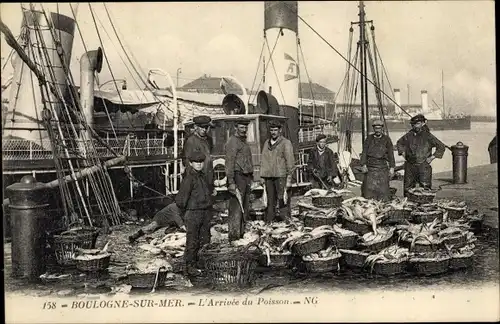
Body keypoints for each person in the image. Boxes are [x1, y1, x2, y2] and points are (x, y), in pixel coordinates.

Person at [175, 151, 213, 276]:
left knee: (205, 240)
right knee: (192, 241)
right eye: (196, 162)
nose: (199, 164)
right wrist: (185, 214)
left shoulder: (203, 176)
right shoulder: (189, 179)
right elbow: (181, 200)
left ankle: (201, 264)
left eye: (201, 162)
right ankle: (189, 267)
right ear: (191, 163)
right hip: (193, 214)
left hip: (205, 213)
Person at [396, 114, 446, 197]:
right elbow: (399, 143)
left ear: (423, 123)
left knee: (425, 189)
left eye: (418, 123)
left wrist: (432, 157)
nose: (415, 126)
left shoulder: (428, 136)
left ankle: (425, 205)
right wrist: (403, 153)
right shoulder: (409, 135)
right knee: (408, 188)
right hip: (410, 166)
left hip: (423, 166)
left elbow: (441, 146)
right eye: (413, 124)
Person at [260, 120, 295, 223]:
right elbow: (263, 160)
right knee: (269, 202)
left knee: (283, 201)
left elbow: (290, 161)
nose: (273, 132)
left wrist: (289, 179)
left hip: (281, 176)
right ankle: (269, 223)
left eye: (275, 130)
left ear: (280, 130)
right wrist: (262, 177)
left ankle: (286, 223)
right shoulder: (266, 143)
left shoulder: (286, 143)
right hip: (268, 177)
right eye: (271, 130)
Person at [224, 119, 254, 241]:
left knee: (244, 207)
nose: (244, 130)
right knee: (236, 207)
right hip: (237, 176)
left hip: (245, 177)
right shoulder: (232, 142)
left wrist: (251, 178)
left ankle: (241, 234)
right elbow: (229, 162)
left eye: (245, 127)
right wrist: (231, 182)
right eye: (241, 127)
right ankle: (234, 236)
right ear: (236, 127)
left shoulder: (244, 142)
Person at [360, 119, 396, 201]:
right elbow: (364, 152)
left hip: (382, 167)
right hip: (370, 167)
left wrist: (392, 167)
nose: (378, 130)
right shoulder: (369, 139)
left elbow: (391, 154)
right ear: (374, 129)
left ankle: (383, 204)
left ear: (382, 128)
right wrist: (363, 164)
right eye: (376, 128)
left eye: (379, 128)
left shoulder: (387, 139)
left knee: (383, 191)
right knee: (368, 190)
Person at [181, 115, 217, 197]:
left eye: (206, 127)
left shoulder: (208, 140)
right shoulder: (191, 141)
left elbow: (209, 161)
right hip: (197, 181)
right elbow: (188, 163)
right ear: (195, 127)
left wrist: (212, 184)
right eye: (202, 127)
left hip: (208, 179)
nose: (204, 130)